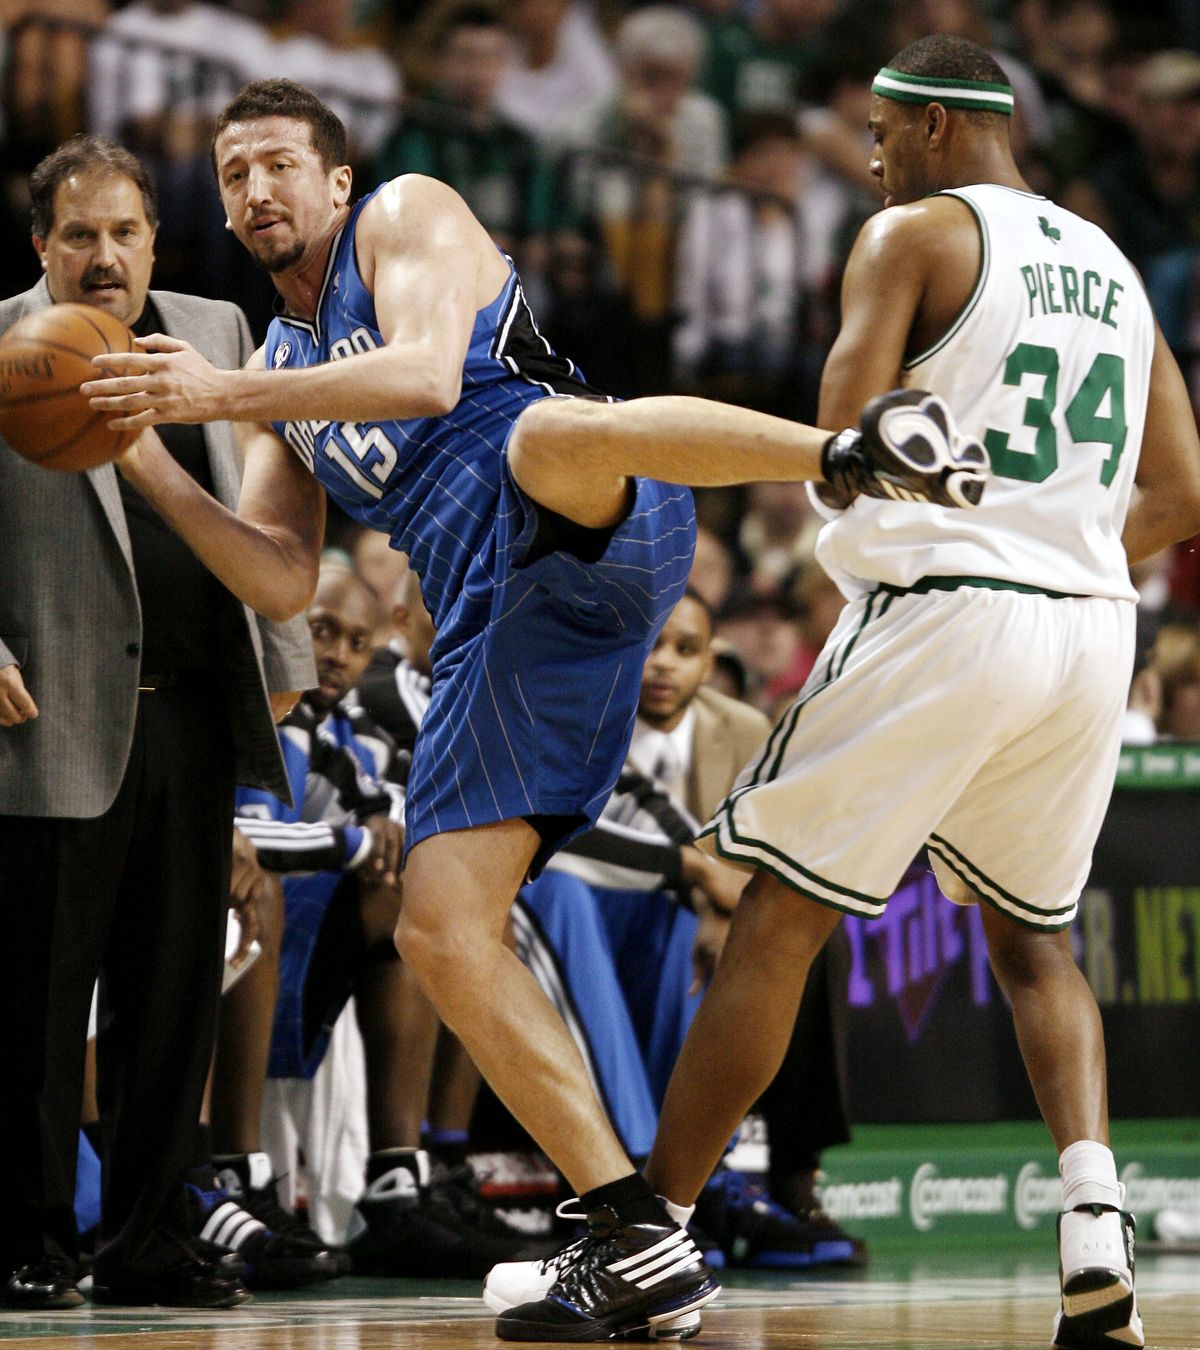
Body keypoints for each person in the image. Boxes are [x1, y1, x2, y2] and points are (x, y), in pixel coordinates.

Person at [83, 77, 985, 1341]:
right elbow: (281, 576)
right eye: (233, 174)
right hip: (504, 625)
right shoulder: (277, 366)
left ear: (336, 182)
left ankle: (847, 452)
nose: (255, 190)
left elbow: (422, 381)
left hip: (604, 513)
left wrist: (213, 399)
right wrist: (152, 462)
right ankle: (635, 1231)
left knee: (546, 431)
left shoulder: (408, 215)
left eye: (280, 163)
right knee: (447, 933)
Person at [620, 34, 1198, 1350]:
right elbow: (1183, 492)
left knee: (777, 918)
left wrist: (975, 540)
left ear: (931, 125)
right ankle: (1096, 1217)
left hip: (949, 607)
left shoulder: (911, 239)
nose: (870, 161)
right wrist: (1059, 547)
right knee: (1032, 939)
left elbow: (843, 439)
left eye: (879, 136)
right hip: (1090, 633)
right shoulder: (1115, 267)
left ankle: (648, 1230)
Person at [0, 135, 316, 1311]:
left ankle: (146, 1241)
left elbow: (263, 505)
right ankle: (28, 1239)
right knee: (35, 1013)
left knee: (173, 997)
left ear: (154, 242)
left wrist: (281, 675)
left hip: (190, 717)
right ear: (43, 245)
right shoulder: (3, 343)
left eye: (124, 233)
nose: (103, 256)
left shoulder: (216, 335)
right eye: (78, 234)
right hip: (47, 723)